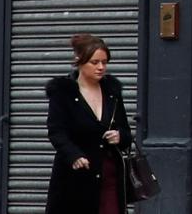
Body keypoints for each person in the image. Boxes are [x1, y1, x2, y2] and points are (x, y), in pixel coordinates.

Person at [47, 34, 136, 214]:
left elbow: (125, 131)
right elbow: (56, 131)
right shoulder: (63, 91)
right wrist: (73, 155)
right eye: (95, 62)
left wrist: (120, 136)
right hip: (76, 176)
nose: (101, 67)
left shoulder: (112, 91)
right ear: (79, 60)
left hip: (109, 173)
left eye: (104, 62)